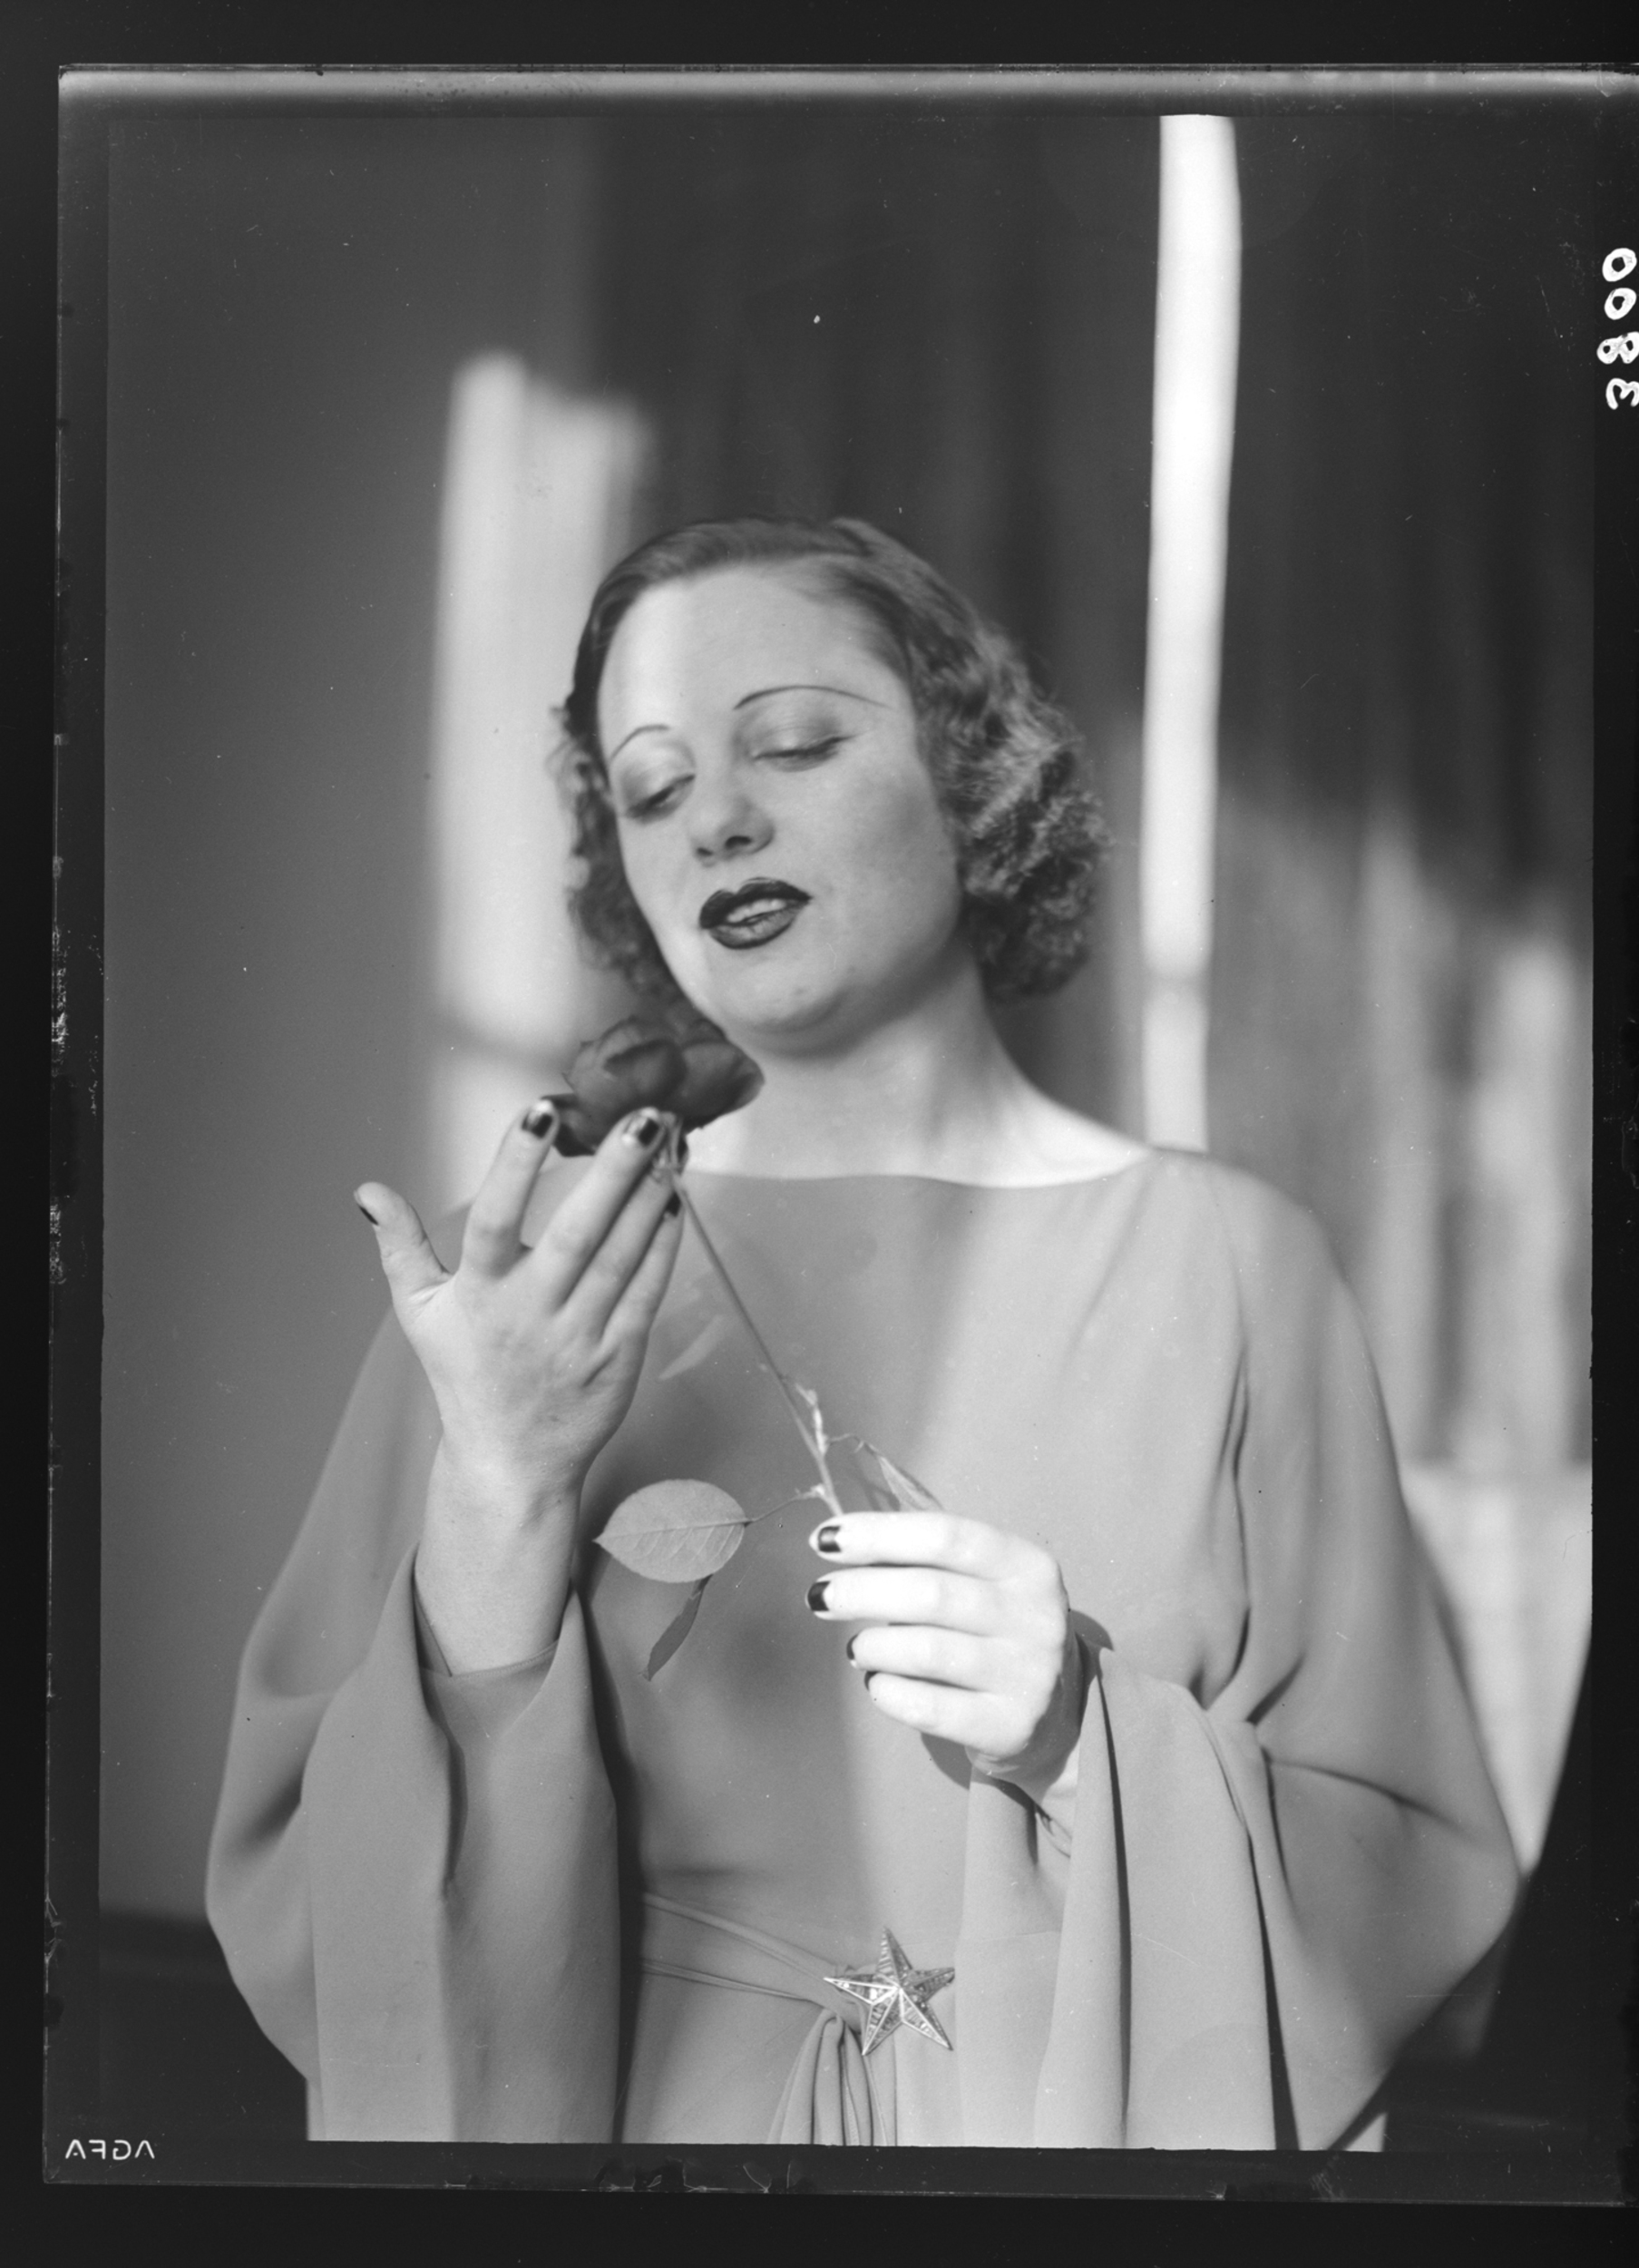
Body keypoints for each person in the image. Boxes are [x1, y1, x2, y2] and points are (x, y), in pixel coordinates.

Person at [207, 516, 1518, 2149]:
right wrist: (502, 1497)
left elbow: (1399, 1873)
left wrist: (1079, 1734)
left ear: (976, 787)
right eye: (653, 789)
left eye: (797, 743)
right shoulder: (521, 1297)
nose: (720, 821)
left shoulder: (1240, 1261)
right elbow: (326, 1921)